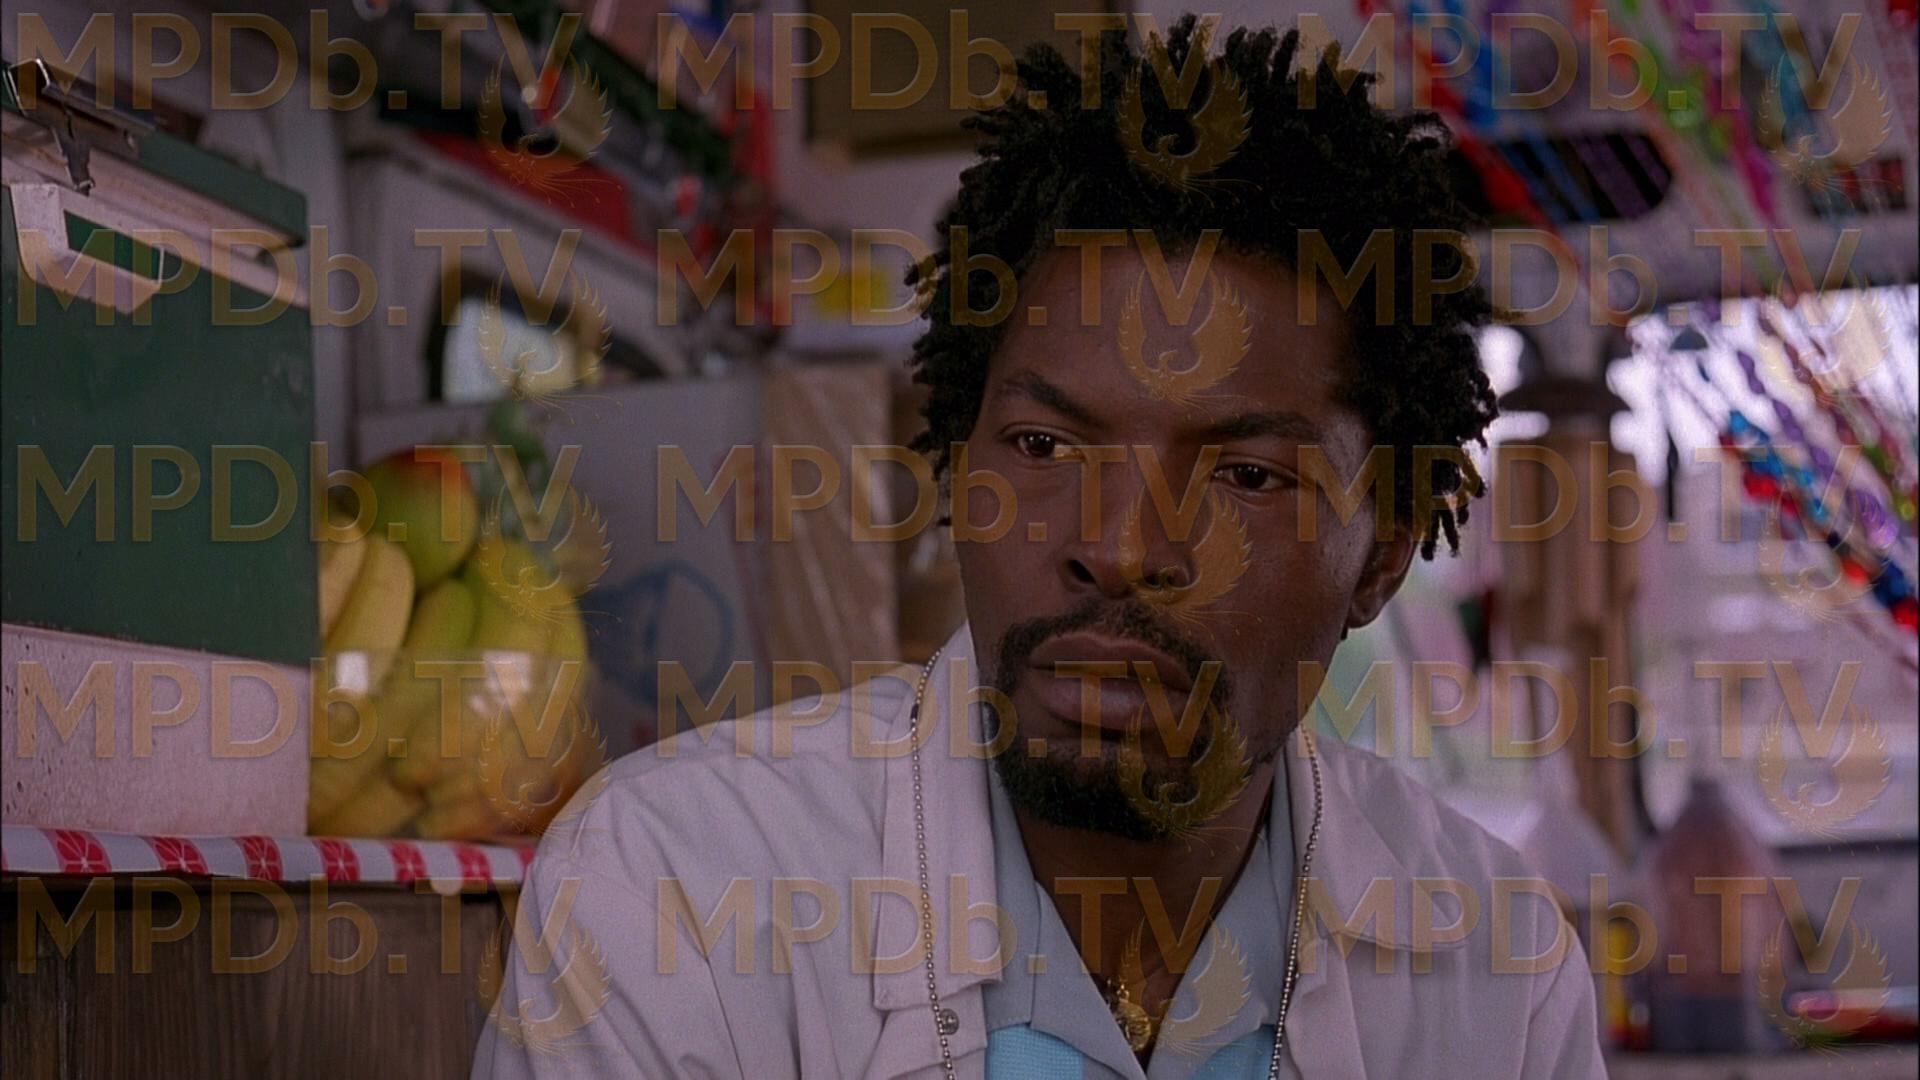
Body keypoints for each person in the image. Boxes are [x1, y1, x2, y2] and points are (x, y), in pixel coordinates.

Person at [475, 16, 1604, 1079]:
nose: (1118, 547)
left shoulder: (1495, 972)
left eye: (1246, 476)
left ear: (1384, 555)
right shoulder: (668, 888)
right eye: (1044, 446)